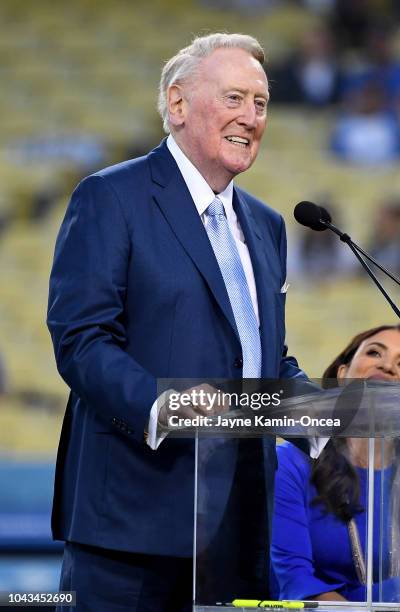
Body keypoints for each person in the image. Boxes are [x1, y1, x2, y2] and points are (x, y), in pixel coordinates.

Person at [47, 33, 308, 612]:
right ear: (179, 103)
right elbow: (82, 340)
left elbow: (265, 358)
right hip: (131, 528)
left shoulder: (266, 226)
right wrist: (164, 407)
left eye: (261, 103)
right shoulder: (111, 197)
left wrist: (318, 410)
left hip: (240, 529)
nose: (251, 117)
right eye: (235, 97)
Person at [271, 323, 400, 602]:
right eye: (374, 353)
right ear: (343, 374)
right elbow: (295, 581)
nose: (387, 366)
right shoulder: (292, 464)